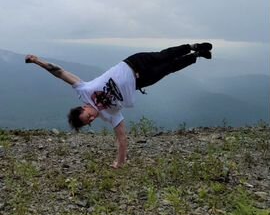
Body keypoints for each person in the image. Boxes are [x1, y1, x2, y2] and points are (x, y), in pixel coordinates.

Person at [25, 42, 212, 169]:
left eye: (87, 115)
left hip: (133, 63)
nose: (92, 117)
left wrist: (37, 61)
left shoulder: (83, 90)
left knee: (164, 55)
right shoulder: (110, 115)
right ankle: (197, 55)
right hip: (141, 81)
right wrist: (119, 164)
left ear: (82, 107)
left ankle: (191, 46)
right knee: (168, 68)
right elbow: (122, 138)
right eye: (89, 121)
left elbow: (59, 72)